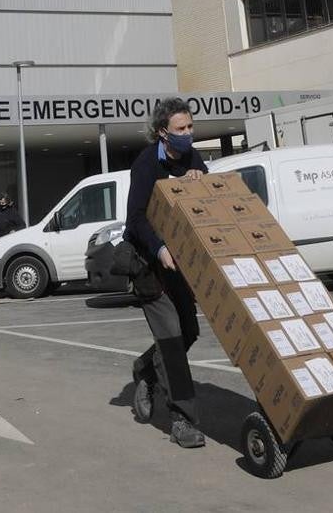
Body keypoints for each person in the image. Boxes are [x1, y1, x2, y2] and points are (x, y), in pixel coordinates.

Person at [125, 97, 208, 448]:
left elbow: (207, 196)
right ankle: (182, 421)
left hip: (180, 266)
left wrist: (200, 179)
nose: (187, 134)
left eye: (190, 127)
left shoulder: (192, 157)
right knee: (172, 338)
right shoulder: (146, 165)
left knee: (189, 331)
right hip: (149, 265)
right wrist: (159, 248)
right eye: (180, 129)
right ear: (163, 132)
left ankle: (146, 368)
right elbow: (135, 220)